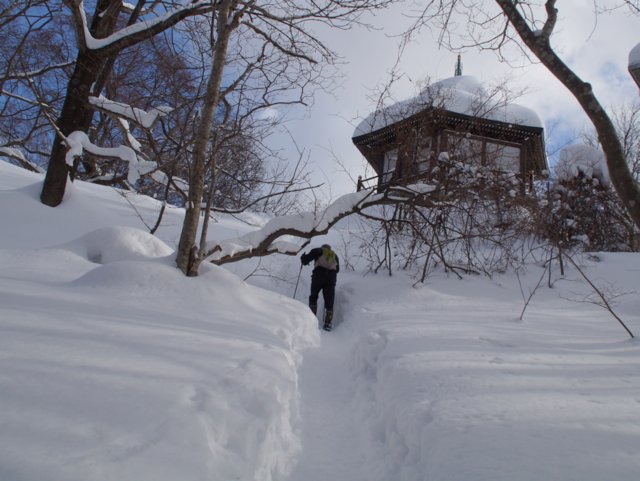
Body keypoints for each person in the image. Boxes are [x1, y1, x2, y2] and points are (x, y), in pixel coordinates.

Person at [301, 244, 340, 331]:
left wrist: (303, 258)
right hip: (331, 278)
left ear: (323, 247)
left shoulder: (318, 250)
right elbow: (337, 269)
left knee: (313, 297)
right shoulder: (334, 255)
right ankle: (328, 324)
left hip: (319, 275)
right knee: (329, 302)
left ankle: (312, 321)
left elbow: (305, 260)